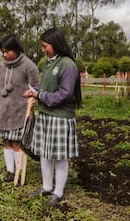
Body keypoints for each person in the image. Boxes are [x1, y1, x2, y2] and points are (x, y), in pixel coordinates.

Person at [23, 28, 81, 206]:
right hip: (47, 115)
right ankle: (47, 186)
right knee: (44, 153)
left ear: (55, 44)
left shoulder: (67, 65)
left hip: (61, 117)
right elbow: (46, 90)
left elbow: (65, 94)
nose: (42, 49)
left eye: (44, 46)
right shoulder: (48, 64)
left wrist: (40, 96)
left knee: (59, 156)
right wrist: (35, 94)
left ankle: (58, 192)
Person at [0, 33, 40, 182]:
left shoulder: (29, 66)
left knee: (17, 143)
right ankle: (10, 171)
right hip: (3, 111)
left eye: (7, 51)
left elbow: (36, 89)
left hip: (20, 112)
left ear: (16, 49)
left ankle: (19, 171)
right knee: (6, 142)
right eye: (3, 52)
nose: (4, 54)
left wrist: (34, 100)